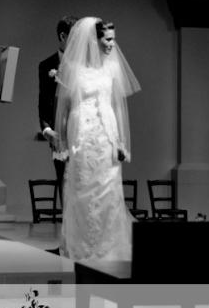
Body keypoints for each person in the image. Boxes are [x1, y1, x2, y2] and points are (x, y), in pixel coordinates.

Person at [54, 17, 140, 260]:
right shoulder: (72, 68)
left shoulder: (112, 68)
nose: (112, 44)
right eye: (108, 39)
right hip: (81, 132)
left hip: (106, 134)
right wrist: (62, 141)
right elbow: (64, 107)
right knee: (82, 188)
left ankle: (110, 247)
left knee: (108, 187)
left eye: (113, 39)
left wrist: (121, 141)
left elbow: (117, 106)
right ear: (95, 39)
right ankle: (82, 246)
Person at [38, 15, 78, 200]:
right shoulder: (46, 66)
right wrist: (47, 129)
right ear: (63, 36)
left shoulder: (85, 65)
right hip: (59, 135)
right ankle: (68, 226)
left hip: (83, 131)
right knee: (64, 181)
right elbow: (43, 101)